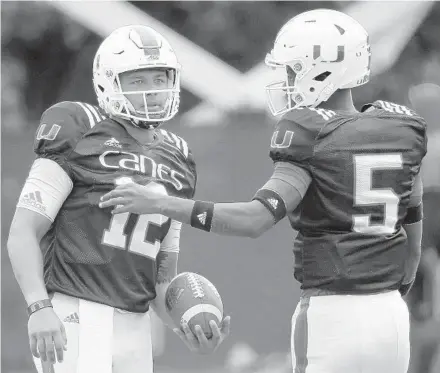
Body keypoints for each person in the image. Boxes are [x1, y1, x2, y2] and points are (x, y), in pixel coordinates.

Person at [99, 9, 427, 373]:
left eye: (292, 69)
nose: (285, 79)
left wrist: (162, 203)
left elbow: (254, 220)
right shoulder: (401, 128)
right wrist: (393, 289)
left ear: (320, 71)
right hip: (391, 316)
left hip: (333, 315)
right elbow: (412, 226)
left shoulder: (309, 132)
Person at [7, 25, 230, 373]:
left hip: (137, 325)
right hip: (77, 313)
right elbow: (22, 232)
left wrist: (182, 324)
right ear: (108, 83)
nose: (152, 92)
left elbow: (160, 276)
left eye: (159, 79)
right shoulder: (79, 127)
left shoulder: (178, 156)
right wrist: (39, 306)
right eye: (137, 81)